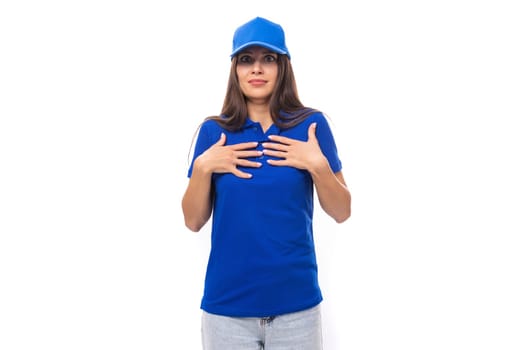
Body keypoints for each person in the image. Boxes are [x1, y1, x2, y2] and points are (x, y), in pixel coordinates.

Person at [181, 16, 351, 350]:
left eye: (268, 59)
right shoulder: (214, 132)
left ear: (283, 67)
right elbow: (193, 221)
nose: (257, 69)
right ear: (235, 70)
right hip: (227, 311)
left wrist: (318, 166)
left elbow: (342, 211)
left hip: (297, 309)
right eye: (247, 60)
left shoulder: (311, 127)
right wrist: (202, 168)